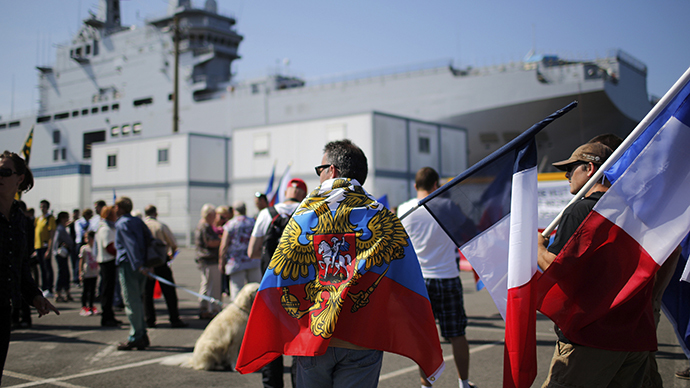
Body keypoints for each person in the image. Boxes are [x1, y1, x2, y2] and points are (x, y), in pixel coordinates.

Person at [537, 142, 652, 387]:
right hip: (633, 337)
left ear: (590, 168)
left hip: (590, 338)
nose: (567, 175)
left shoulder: (580, 211)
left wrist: (537, 250)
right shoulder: (631, 211)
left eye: (571, 168)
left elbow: (559, 270)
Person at [398, 167, 474, 388]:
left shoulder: (405, 208)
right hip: (448, 277)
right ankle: (464, 383)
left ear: (415, 186)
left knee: (423, 337)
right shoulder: (448, 206)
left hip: (419, 281)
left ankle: (425, 385)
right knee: (457, 334)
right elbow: (467, 228)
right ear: (436, 185)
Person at [0, 151, 59, 384]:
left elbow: (21, 267)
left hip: (3, 307)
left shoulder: (22, 220)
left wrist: (35, 296)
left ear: (19, 179)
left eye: (4, 172)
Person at [247, 178, 307, 388]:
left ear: (286, 192)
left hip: (271, 289)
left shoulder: (267, 214)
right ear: (303, 195)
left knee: (272, 344)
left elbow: (252, 251)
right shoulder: (309, 213)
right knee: (299, 344)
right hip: (301, 290)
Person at [114, 196, 152, 350]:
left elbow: (131, 245)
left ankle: (136, 335)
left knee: (131, 301)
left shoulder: (122, 223)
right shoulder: (138, 221)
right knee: (138, 300)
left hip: (130, 265)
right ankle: (141, 333)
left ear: (121, 208)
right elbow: (149, 238)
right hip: (141, 265)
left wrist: (138, 264)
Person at [143, 205, 186, 328]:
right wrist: (171, 255)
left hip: (146, 262)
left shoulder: (142, 226)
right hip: (160, 261)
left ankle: (149, 319)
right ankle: (174, 318)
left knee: (147, 293)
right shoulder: (160, 226)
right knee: (169, 291)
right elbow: (173, 243)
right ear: (156, 213)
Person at [220, 201, 259, 301]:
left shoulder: (230, 224)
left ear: (234, 210)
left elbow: (224, 245)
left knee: (237, 291)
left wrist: (221, 261)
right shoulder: (253, 222)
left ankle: (239, 313)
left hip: (236, 261)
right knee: (256, 289)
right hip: (253, 260)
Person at [95, 205, 121, 327]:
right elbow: (109, 247)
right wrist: (120, 253)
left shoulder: (109, 228)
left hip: (110, 261)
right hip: (107, 262)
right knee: (107, 290)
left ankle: (110, 315)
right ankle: (106, 317)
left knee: (110, 290)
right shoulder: (105, 229)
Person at [195, 203, 222, 319]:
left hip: (205, 259)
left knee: (206, 284)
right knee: (212, 285)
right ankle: (212, 308)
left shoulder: (202, 225)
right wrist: (223, 240)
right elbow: (210, 242)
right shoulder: (205, 226)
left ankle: (204, 307)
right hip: (209, 259)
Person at [34, 199, 56, 297]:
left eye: (44, 207)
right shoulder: (38, 218)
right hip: (38, 246)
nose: (42, 208)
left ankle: (49, 288)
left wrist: (49, 249)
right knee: (42, 268)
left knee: (47, 267)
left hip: (45, 246)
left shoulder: (50, 219)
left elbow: (51, 235)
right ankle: (43, 287)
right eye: (41, 206)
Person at [52, 211, 75, 302]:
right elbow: (69, 241)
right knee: (63, 273)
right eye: (66, 218)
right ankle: (59, 292)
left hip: (60, 253)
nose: (67, 220)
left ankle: (65, 292)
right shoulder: (61, 229)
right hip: (61, 254)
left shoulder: (60, 228)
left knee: (64, 273)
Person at [78, 231, 99, 316]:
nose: (87, 240)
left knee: (92, 290)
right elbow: (81, 261)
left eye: (89, 238)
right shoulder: (84, 248)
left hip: (94, 272)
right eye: (86, 238)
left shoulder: (95, 248)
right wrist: (80, 272)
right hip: (86, 272)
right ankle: (84, 306)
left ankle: (91, 306)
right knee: (85, 290)